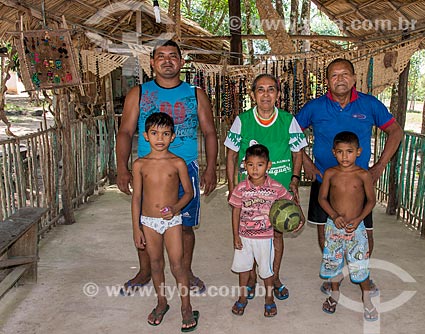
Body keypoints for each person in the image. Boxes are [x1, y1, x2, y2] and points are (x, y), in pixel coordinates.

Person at [116, 40, 218, 295]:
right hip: (148, 170)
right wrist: (122, 167)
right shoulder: (138, 93)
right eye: (161, 56)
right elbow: (126, 132)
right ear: (152, 63)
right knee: (145, 222)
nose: (167, 60)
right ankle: (144, 271)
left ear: (181, 62)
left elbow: (209, 132)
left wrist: (211, 168)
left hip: (186, 168)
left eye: (173, 56)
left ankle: (185, 270)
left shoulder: (195, 93)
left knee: (184, 225)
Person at [295, 58, 403, 295]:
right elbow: (292, 133)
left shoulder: (369, 105)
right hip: (324, 182)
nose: (340, 79)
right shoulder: (314, 107)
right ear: (326, 81)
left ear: (354, 78)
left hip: (358, 187)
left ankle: (361, 272)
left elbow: (396, 131)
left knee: (364, 233)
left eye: (345, 74)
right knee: (325, 231)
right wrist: (306, 162)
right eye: (334, 75)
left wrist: (380, 166)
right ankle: (334, 275)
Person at [224, 73, 308, 301]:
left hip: (277, 192)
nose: (266, 94)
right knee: (248, 235)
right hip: (248, 193)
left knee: (276, 236)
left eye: (271, 89)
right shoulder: (243, 120)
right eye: (260, 89)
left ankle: (274, 277)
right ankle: (250, 278)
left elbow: (298, 152)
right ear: (253, 95)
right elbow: (231, 156)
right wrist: (233, 187)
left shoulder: (288, 120)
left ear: (278, 95)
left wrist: (294, 180)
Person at [131, 112, 198, 330]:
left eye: (165, 133)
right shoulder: (140, 164)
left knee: (178, 266)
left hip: (172, 221)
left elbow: (189, 192)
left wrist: (176, 208)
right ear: (145, 136)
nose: (160, 138)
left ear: (173, 136)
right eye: (154, 133)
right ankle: (161, 302)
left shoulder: (177, 163)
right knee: (156, 264)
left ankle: (186, 307)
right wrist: (136, 228)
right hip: (148, 222)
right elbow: (137, 198)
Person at [228, 144, 304, 317]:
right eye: (251, 165)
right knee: (243, 270)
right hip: (244, 237)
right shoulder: (241, 188)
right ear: (245, 164)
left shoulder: (276, 187)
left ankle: (269, 299)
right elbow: (236, 211)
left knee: (266, 272)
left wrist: (300, 217)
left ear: (268, 165)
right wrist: (235, 236)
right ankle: (242, 298)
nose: (255, 169)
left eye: (260, 165)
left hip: (265, 238)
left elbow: (290, 202)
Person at [318, 131, 377, 321]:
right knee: (333, 263)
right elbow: (322, 198)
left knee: (359, 264)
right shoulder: (330, 173)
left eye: (349, 151)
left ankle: (367, 299)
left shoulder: (363, 175)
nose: (345, 156)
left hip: (356, 228)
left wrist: (359, 219)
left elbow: (371, 201)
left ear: (358, 152)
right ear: (334, 152)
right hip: (334, 227)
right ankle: (334, 294)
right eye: (340, 152)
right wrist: (334, 215)